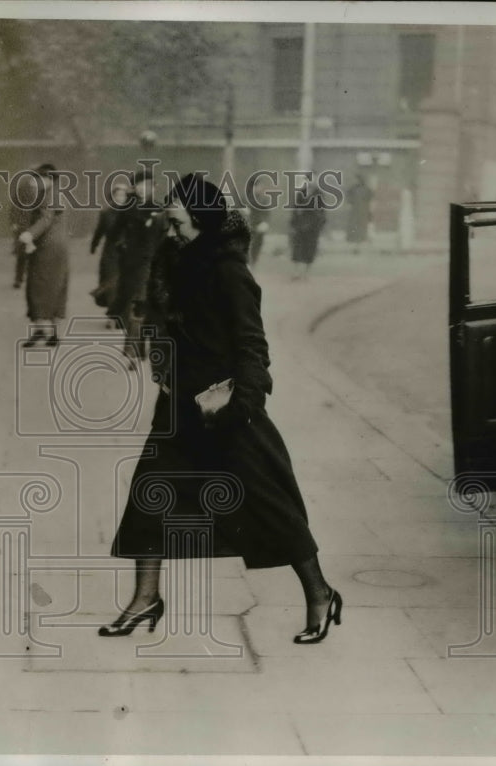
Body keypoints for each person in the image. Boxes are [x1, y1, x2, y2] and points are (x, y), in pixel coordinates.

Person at [101, 174, 342, 645]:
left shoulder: (229, 269)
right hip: (178, 408)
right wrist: (157, 361)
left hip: (226, 412)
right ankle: (145, 598)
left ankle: (320, 593)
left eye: (177, 222)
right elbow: (163, 322)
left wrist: (241, 405)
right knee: (148, 499)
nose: (170, 231)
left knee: (271, 506)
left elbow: (254, 345)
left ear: (200, 219)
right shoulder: (175, 262)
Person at [110, 169, 168, 367]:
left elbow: (167, 236)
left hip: (156, 264)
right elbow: (114, 233)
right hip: (134, 265)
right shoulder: (128, 209)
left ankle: (147, 349)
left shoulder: (161, 209)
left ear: (153, 187)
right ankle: (134, 352)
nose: (143, 189)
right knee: (138, 304)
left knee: (147, 306)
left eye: (147, 185)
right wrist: (122, 245)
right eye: (139, 185)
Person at [18, 164, 69, 347]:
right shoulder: (55, 193)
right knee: (55, 287)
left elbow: (45, 219)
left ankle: (41, 330)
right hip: (56, 248)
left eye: (37, 179)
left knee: (38, 286)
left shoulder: (49, 195)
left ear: (48, 179)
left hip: (48, 249)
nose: (34, 182)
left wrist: (30, 234)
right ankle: (53, 333)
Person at [89, 182, 129, 325]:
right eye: (118, 195)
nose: (120, 198)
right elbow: (99, 232)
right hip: (110, 253)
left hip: (127, 253)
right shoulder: (106, 213)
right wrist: (94, 245)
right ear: (112, 197)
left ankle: (122, 316)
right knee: (111, 284)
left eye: (123, 195)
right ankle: (113, 318)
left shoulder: (132, 212)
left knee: (123, 284)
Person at [289, 180, 327, 280]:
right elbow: (295, 208)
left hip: (313, 225)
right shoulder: (301, 192)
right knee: (297, 248)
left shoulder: (319, 194)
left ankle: (306, 273)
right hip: (301, 224)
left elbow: (322, 210)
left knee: (310, 248)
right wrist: (293, 223)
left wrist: (321, 224)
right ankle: (296, 272)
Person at [345, 173, 373, 254]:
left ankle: (358, 245)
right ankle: (356, 246)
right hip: (356, 212)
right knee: (355, 228)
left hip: (362, 212)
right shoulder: (353, 189)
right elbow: (348, 196)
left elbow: (370, 199)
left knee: (361, 228)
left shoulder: (366, 189)